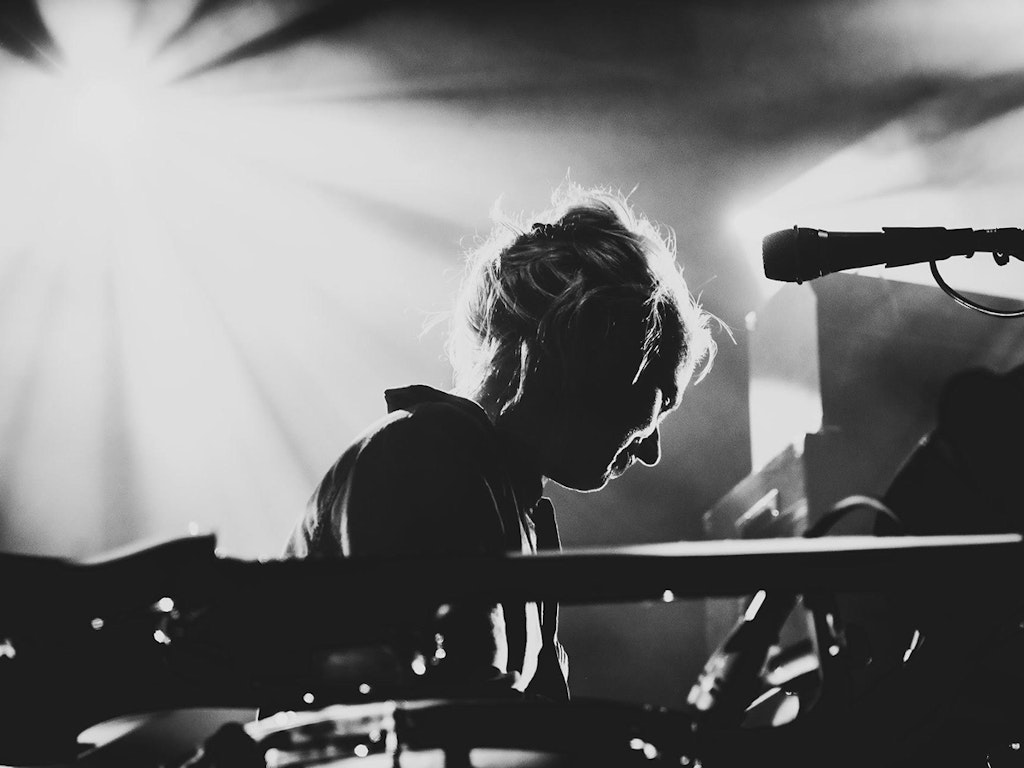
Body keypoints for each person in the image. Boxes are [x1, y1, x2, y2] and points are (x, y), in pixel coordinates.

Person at [285, 182, 717, 703]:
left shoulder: (506, 499)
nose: (651, 450)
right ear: (584, 353)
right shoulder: (426, 454)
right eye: (657, 402)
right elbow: (446, 715)